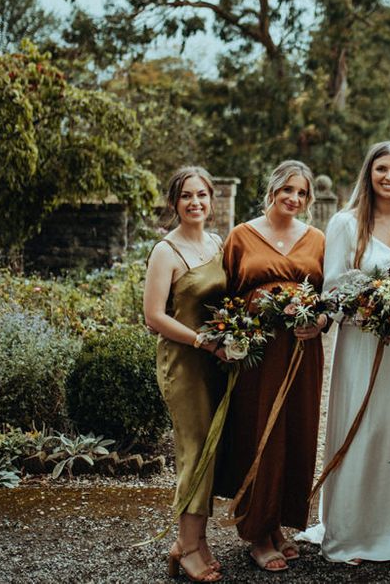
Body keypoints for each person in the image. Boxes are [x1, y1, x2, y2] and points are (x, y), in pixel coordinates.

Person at [298, 141, 390, 563]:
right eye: (382, 169)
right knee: (363, 430)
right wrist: (373, 310)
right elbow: (334, 290)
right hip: (362, 344)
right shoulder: (345, 222)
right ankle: (354, 532)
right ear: (369, 173)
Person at [215, 160, 327, 572]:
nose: (294, 199)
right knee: (257, 427)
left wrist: (320, 321)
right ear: (272, 191)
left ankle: (278, 522)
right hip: (257, 355)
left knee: (295, 430)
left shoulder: (316, 239)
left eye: (301, 193)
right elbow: (224, 294)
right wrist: (229, 337)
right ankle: (257, 532)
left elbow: (327, 296)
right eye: (287, 191)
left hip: (301, 353)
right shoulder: (242, 235)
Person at [143, 166, 227, 583]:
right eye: (186, 196)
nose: (195, 203)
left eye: (202, 195)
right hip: (184, 362)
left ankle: (196, 541)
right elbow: (154, 316)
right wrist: (201, 342)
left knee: (211, 450)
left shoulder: (216, 243)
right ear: (174, 202)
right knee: (193, 451)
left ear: (212, 200)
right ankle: (186, 546)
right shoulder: (166, 251)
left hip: (216, 361)